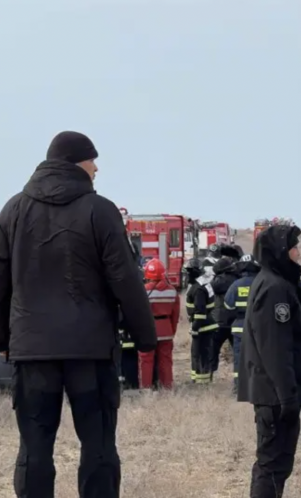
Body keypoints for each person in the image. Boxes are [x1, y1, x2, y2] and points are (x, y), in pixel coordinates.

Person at [0, 131, 157, 497]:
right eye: (92, 160)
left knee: (34, 448)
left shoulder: (13, 210)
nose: (96, 168)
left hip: (32, 350)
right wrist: (145, 336)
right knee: (98, 445)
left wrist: (4, 341)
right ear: (74, 162)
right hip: (91, 351)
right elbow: (125, 278)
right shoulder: (99, 210)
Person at [238, 224, 301, 498]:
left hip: (276, 392)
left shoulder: (277, 283)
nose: (298, 253)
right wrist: (287, 396)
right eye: (294, 247)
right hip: (275, 395)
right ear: (280, 252)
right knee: (272, 464)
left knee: (278, 464)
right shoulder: (274, 289)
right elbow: (275, 349)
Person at [140, 258, 180, 390]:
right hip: (166, 329)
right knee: (166, 360)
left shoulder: (143, 291)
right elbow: (175, 315)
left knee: (146, 360)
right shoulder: (172, 291)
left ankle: (146, 388)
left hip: (148, 330)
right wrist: (171, 330)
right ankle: (167, 387)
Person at [225, 253, 261, 391]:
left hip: (240, 327)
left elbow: (228, 306)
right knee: (259, 357)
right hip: (259, 327)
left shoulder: (236, 285)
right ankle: (258, 386)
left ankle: (239, 387)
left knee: (239, 358)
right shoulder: (262, 283)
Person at [185, 258, 217, 384]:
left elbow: (200, 312)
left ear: (194, 272)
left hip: (202, 327)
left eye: (188, 272)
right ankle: (199, 379)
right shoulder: (203, 284)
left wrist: (194, 328)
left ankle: (201, 382)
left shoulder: (198, 289)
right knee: (201, 354)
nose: (187, 275)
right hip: (205, 325)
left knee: (199, 355)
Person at [210, 255, 239, 379]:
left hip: (219, 321)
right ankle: (240, 378)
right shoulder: (237, 279)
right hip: (235, 320)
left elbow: (210, 289)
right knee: (238, 352)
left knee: (212, 350)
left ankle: (209, 374)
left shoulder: (218, 281)